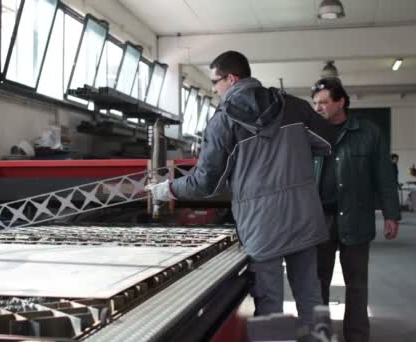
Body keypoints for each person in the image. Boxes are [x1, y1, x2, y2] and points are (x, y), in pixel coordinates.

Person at [146, 50, 334, 328]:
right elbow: (328, 143)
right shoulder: (294, 106)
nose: (214, 88)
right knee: (310, 296)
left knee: (270, 305)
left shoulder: (222, 121)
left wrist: (165, 190)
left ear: (232, 79)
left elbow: (205, 184)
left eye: (216, 81)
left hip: (261, 225)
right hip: (302, 216)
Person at [311, 77, 401, 342]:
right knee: (317, 286)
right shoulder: (309, 133)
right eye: (315, 103)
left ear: (341, 102)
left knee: (357, 286)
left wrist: (391, 214)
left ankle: (357, 337)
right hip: (319, 220)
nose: (318, 108)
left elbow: (384, 176)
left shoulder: (369, 133)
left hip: (356, 217)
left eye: (324, 102)